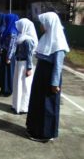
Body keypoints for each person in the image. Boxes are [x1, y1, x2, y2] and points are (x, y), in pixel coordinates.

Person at [26, 12, 69, 142]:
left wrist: (55, 83)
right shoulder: (46, 37)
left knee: (48, 105)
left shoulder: (59, 42)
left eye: (43, 24)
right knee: (38, 102)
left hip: (50, 78)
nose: (41, 26)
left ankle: (45, 134)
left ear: (49, 24)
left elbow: (58, 66)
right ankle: (36, 129)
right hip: (41, 75)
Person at [12, 18, 38, 114]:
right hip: (19, 63)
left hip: (24, 65)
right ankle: (16, 105)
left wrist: (29, 68)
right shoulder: (21, 37)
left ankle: (23, 107)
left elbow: (29, 56)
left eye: (20, 26)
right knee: (17, 84)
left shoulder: (28, 40)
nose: (18, 28)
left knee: (24, 86)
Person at [0, 13, 19, 96]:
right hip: (4, 54)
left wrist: (9, 57)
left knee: (8, 73)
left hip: (9, 56)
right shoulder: (8, 29)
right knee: (3, 73)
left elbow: (12, 46)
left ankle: (8, 90)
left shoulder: (12, 32)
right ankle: (3, 89)